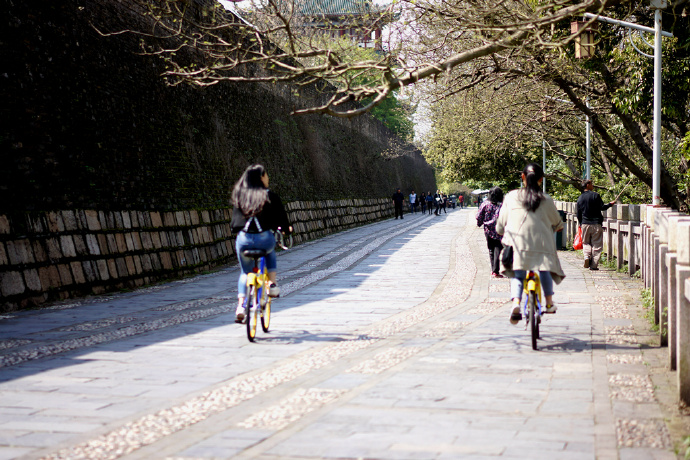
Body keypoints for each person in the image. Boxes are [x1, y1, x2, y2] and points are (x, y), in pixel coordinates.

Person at [496, 163, 565, 325]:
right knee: (545, 267)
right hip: (542, 246)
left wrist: (501, 231)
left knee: (518, 275)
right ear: (541, 179)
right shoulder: (546, 199)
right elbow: (558, 223)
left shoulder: (511, 196)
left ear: (523, 177)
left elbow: (501, 224)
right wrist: (557, 227)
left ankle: (515, 304)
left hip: (517, 246)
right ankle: (549, 302)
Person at [230, 164, 292, 323]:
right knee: (270, 250)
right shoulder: (270, 196)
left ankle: (241, 306)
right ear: (261, 178)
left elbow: (234, 225)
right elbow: (282, 221)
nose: (268, 178)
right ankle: (272, 284)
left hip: (244, 241)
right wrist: (286, 229)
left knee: (245, 272)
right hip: (264, 239)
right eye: (266, 175)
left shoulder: (239, 195)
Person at [577, 179, 615, 270]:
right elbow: (602, 207)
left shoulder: (580, 198)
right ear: (587, 185)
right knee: (597, 245)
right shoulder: (595, 195)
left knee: (586, 242)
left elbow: (578, 213)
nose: (593, 185)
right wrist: (610, 204)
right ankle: (593, 265)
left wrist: (580, 223)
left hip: (585, 223)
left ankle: (586, 256)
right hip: (596, 224)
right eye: (591, 184)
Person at [476, 186, 504, 278]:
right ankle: (495, 270)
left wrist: (479, 223)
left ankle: (494, 270)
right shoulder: (503, 205)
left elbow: (479, 216)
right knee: (498, 249)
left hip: (488, 229)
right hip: (500, 230)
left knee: (491, 249)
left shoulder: (485, 204)